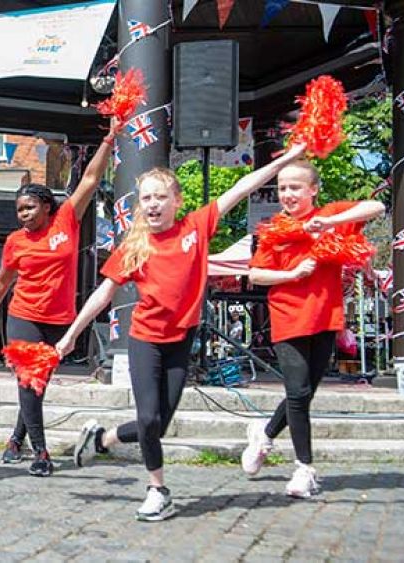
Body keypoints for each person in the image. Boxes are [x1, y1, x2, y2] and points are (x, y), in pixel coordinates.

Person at [57, 143, 308, 521]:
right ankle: (158, 490)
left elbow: (242, 188)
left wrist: (287, 159)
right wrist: (72, 334)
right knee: (147, 420)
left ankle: (103, 439)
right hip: (144, 339)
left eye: (160, 197)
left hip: (181, 341)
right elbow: (104, 292)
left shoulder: (196, 227)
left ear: (177, 201)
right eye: (146, 198)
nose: (153, 204)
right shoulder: (135, 245)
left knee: (158, 425)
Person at [0, 122, 120, 477]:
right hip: (22, 316)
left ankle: (15, 438)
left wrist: (110, 137)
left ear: (45, 206)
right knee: (28, 381)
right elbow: (2, 282)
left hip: (59, 320)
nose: (22, 215)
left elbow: (88, 178)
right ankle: (40, 452)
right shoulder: (14, 242)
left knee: (38, 384)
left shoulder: (66, 221)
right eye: (19, 210)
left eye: (28, 208)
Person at [241, 159, 384, 497]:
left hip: (325, 317)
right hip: (288, 316)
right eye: (283, 188)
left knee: (302, 392)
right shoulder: (274, 229)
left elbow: (376, 205)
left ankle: (264, 435)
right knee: (299, 392)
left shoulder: (333, 216)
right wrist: (291, 275)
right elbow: (256, 275)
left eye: (295, 187)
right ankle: (305, 469)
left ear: (313, 190)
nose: (288, 194)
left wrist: (330, 221)